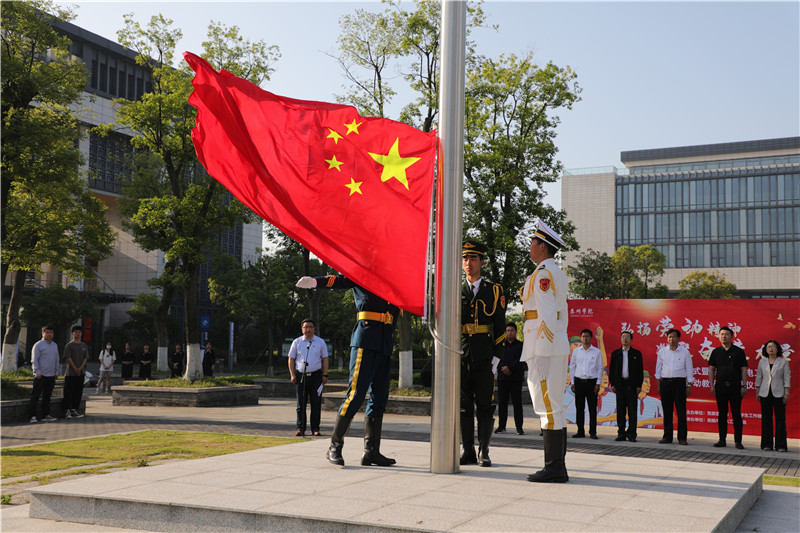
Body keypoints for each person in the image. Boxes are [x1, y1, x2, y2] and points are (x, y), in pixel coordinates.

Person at [296, 274, 397, 467]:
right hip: (365, 339)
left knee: (379, 399)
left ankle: (371, 452)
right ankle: (334, 447)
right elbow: (341, 279)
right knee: (355, 395)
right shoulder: (364, 272)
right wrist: (316, 282)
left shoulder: (394, 276)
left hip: (385, 342)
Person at [521, 220, 570, 483]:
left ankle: (554, 467)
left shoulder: (543, 274)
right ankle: (557, 466)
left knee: (547, 407)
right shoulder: (554, 271)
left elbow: (548, 314)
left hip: (544, 347)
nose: (530, 246)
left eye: (533, 242)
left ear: (542, 246)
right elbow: (560, 315)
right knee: (555, 408)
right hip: (554, 345)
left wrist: (541, 350)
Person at [460, 240, 506, 467]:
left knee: (485, 405)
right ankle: (467, 450)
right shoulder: (455, 288)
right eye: (465, 258)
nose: (468, 263)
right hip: (461, 354)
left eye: (473, 258)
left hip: (485, 355)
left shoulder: (494, 290)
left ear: (482, 262)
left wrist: (497, 355)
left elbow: (500, 326)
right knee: (464, 404)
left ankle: (483, 451)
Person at [708, 326, 748, 449]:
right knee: (722, 414)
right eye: (721, 334)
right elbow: (711, 369)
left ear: (732, 336)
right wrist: (712, 385)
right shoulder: (715, 352)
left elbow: (744, 369)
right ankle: (722, 440)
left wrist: (744, 385)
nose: (724, 336)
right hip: (720, 386)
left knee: (736, 414)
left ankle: (738, 441)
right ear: (718, 336)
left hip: (735, 386)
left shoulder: (738, 351)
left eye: (726, 334)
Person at [288, 319, 329, 437]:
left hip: (316, 377)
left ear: (314, 329)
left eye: (310, 327)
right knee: (301, 404)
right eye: (305, 327)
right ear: (302, 329)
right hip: (301, 376)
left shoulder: (320, 342)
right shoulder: (297, 342)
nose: (308, 329)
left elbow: (325, 359)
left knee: (316, 404)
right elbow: (291, 359)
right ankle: (300, 428)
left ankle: (315, 428)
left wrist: (325, 375)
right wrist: (292, 374)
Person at [655, 329, 694, 445]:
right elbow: (658, 369)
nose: (671, 339)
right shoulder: (662, 352)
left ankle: (682, 437)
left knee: (681, 411)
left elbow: (689, 370)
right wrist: (659, 385)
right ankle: (667, 436)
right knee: (667, 411)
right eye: (669, 337)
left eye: (673, 337)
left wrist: (689, 386)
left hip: (679, 383)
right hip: (665, 383)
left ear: (678, 339)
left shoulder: (685, 352)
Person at [755, 340, 791, 452]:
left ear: (778, 349)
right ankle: (767, 444)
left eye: (773, 347)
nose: (771, 349)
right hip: (765, 393)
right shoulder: (762, 362)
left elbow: (786, 378)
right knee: (766, 419)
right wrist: (757, 391)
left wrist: (786, 393)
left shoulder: (783, 362)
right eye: (769, 347)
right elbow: (759, 377)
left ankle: (781, 445)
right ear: (765, 349)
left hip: (779, 393)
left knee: (780, 419)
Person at [609, 330, 644, 442]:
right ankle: (621, 433)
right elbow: (612, 370)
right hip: (620, 385)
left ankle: (632, 434)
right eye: (623, 337)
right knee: (620, 411)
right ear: (621, 339)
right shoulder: (616, 353)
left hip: (632, 386)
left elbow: (640, 371)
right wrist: (612, 384)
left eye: (627, 337)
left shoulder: (636, 354)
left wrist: (639, 385)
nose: (625, 339)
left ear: (631, 340)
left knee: (632, 411)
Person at [569, 329, 603, 439]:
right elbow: (572, 367)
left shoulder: (597, 352)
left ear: (591, 338)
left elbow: (599, 369)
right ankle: (580, 431)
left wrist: (598, 383)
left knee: (592, 409)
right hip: (579, 382)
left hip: (591, 383)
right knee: (579, 408)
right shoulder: (576, 351)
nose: (585, 338)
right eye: (583, 336)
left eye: (587, 336)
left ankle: (593, 432)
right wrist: (572, 382)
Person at [495, 322, 526, 435]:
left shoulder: (521, 345)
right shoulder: (500, 345)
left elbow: (521, 360)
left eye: (512, 330)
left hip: (515, 379)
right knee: (502, 404)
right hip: (502, 379)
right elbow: (497, 359)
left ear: (516, 332)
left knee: (517, 404)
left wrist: (510, 368)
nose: (510, 333)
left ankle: (519, 427)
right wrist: (504, 368)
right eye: (508, 331)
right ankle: (501, 426)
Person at [29, 326, 60, 423]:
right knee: (35, 396)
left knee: (47, 396)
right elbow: (34, 360)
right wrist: (36, 371)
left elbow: (57, 359)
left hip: (51, 375)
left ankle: (45, 415)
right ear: (43, 333)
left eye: (51, 332)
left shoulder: (54, 345)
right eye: (47, 332)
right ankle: (33, 416)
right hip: (40, 375)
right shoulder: (38, 345)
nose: (49, 334)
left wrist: (56, 372)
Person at [63, 325, 88, 419]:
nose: (78, 334)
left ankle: (74, 409)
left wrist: (80, 368)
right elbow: (68, 358)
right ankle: (67, 410)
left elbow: (85, 358)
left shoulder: (84, 345)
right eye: (76, 332)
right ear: (72, 333)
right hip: (70, 373)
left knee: (78, 392)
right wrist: (75, 368)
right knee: (68, 392)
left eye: (79, 332)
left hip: (81, 373)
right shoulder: (69, 345)